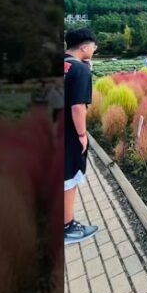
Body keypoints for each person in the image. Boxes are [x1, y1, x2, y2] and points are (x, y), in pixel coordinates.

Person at [64, 29, 100, 245]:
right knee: (69, 179)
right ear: (85, 47)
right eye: (94, 47)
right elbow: (78, 107)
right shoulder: (80, 70)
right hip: (68, 135)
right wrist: (82, 135)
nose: (95, 50)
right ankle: (67, 227)